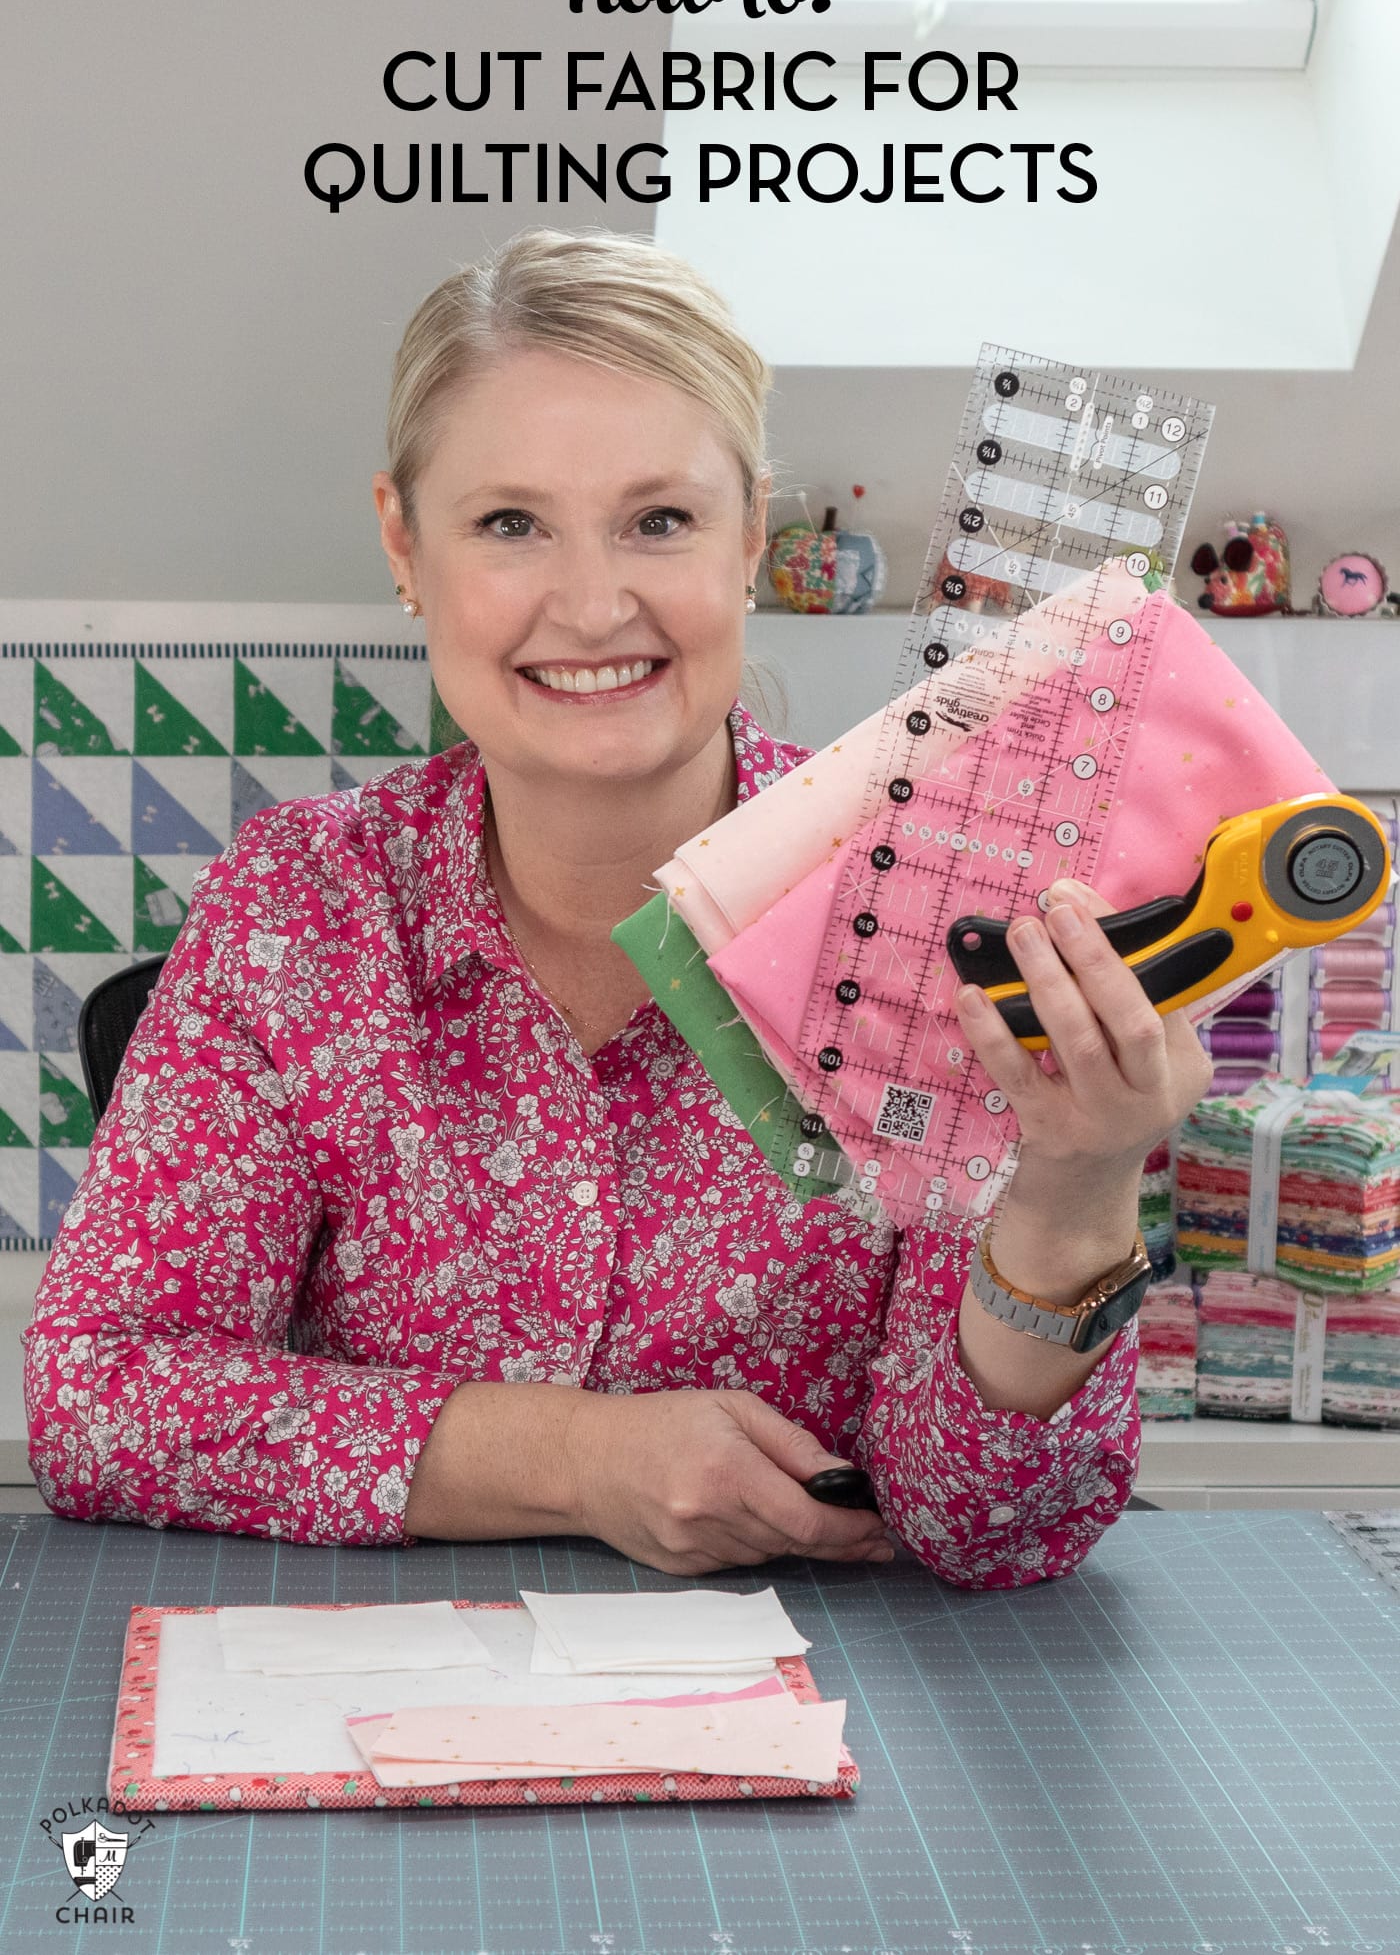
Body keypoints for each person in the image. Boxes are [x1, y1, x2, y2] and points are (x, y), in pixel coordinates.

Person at [23, 229, 1211, 1583]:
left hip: (836, 1732)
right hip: (374, 1714)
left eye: (661, 520)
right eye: (509, 523)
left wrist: (1071, 1196)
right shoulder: (300, 911)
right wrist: (579, 1459)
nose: (592, 606)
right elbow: (98, 1401)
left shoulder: (941, 920)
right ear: (403, 544)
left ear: (752, 535)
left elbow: (988, 1523)